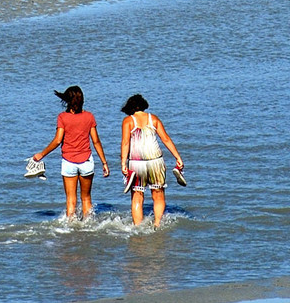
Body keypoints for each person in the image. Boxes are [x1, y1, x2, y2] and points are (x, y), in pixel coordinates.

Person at [30, 84, 109, 220]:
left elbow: (57, 140)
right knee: (86, 198)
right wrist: (104, 162)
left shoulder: (62, 117)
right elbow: (96, 141)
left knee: (70, 199)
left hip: (68, 162)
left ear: (67, 101)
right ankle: (88, 225)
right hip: (86, 162)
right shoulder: (89, 116)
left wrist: (41, 154)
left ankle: (70, 228)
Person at [120, 92, 183, 225]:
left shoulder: (128, 121)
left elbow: (125, 142)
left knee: (137, 196)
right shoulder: (153, 119)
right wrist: (178, 157)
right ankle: (157, 224)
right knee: (158, 194)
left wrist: (123, 163)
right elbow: (165, 139)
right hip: (156, 161)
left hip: (136, 163)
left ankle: (137, 226)